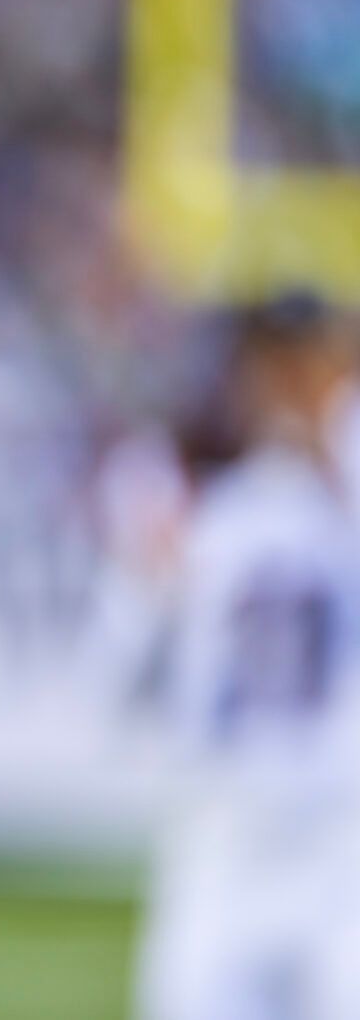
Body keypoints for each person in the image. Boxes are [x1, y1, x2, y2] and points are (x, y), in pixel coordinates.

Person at [110, 298, 360, 1020]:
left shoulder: (231, 510)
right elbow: (125, 674)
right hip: (240, 823)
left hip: (317, 827)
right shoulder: (212, 505)